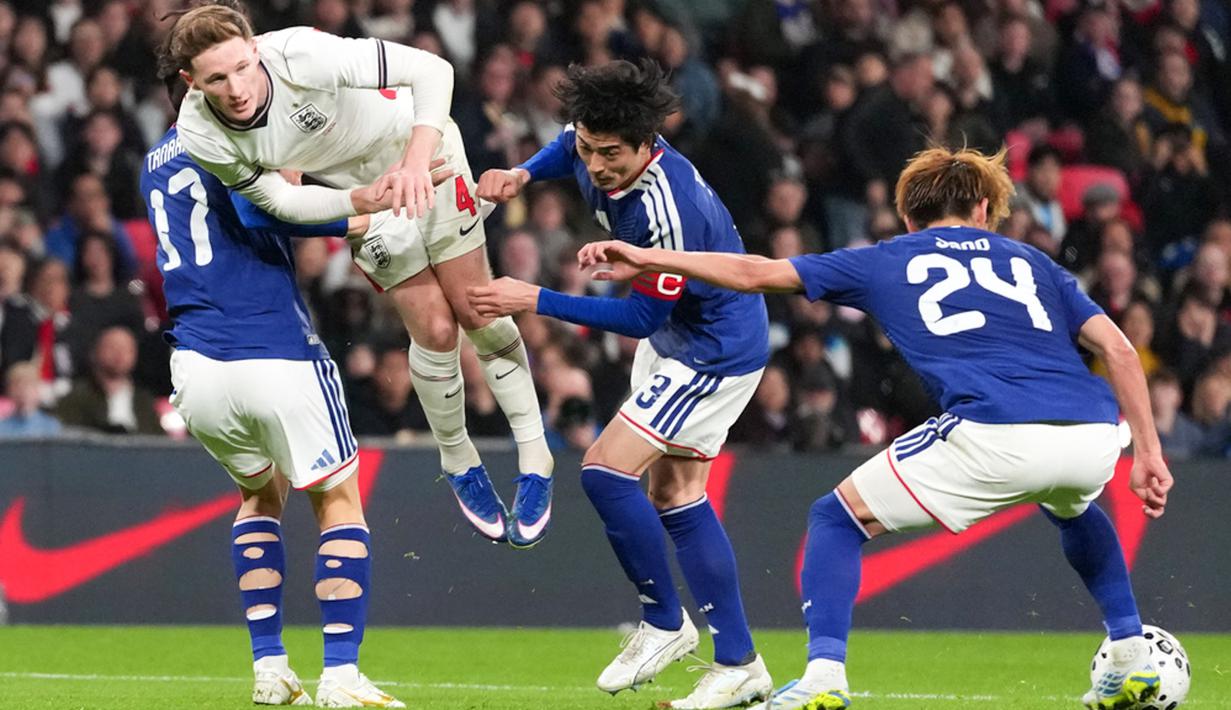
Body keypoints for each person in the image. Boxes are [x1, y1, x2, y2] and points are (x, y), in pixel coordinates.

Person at [577, 145, 1174, 710]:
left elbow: (754, 273)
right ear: (985, 210)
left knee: (836, 518)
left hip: (994, 431)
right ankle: (1130, 652)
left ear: (909, 217)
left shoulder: (888, 257)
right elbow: (1119, 351)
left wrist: (651, 256)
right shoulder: (1033, 262)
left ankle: (822, 677)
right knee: (1073, 506)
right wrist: (1147, 450)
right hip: (1092, 434)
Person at [161, 0, 553, 548]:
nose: (236, 87)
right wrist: (358, 203)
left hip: (425, 152)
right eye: (216, 78)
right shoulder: (200, 132)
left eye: (242, 66)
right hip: (362, 198)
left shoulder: (300, 55)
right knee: (435, 330)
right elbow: (279, 200)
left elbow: (432, 71)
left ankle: (536, 454)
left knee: (476, 309)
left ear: (255, 49)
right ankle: (458, 457)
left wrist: (415, 162)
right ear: (191, 81)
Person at [471, 59, 774, 709]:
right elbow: (564, 147)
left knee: (606, 472)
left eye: (611, 154)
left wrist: (534, 296)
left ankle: (664, 623)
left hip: (712, 349)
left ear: (648, 144)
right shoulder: (589, 142)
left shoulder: (668, 208)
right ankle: (739, 663)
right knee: (675, 494)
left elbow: (639, 316)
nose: (596, 165)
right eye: (589, 148)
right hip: (679, 340)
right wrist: (523, 172)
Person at [139, 74, 410, 707]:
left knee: (260, 494)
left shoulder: (156, 160)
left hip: (197, 367)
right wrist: (362, 210)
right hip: (273, 351)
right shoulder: (229, 145)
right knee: (339, 502)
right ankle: (340, 675)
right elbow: (272, 207)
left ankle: (269, 667)